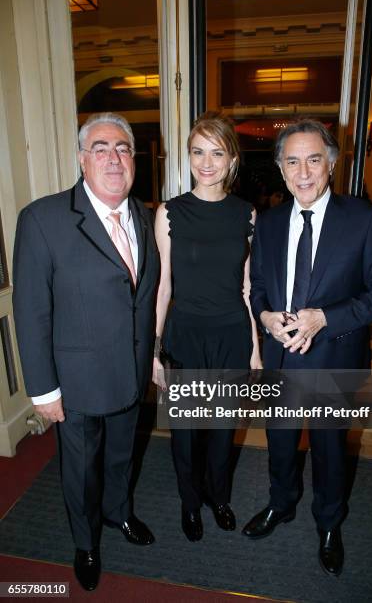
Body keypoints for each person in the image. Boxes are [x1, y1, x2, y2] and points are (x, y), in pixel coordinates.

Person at [243, 119, 372, 576]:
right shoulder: (268, 223)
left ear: (331, 163)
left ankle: (329, 524)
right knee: (280, 442)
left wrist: (324, 318)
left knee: (331, 449)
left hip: (337, 357)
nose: (304, 171)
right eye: (292, 161)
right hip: (280, 357)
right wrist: (267, 317)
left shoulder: (364, 218)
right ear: (280, 167)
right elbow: (259, 291)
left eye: (314, 159)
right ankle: (282, 504)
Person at [12, 112, 159, 591]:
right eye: (101, 148)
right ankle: (86, 542)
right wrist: (42, 390)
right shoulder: (43, 219)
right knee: (79, 470)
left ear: (133, 159)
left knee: (121, 457)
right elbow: (31, 312)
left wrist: (152, 355)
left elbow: (144, 298)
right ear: (82, 159)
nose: (113, 158)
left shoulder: (146, 215)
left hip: (130, 375)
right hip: (74, 382)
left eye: (122, 148)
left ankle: (119, 514)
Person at [153, 111, 262, 542]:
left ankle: (219, 498)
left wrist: (253, 348)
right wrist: (155, 350)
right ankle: (189, 502)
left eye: (217, 152)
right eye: (198, 151)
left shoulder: (247, 215)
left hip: (232, 331)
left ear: (232, 158)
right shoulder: (169, 212)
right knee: (185, 432)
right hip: (186, 333)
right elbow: (163, 287)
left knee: (221, 428)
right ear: (189, 157)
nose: (206, 162)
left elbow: (248, 287)